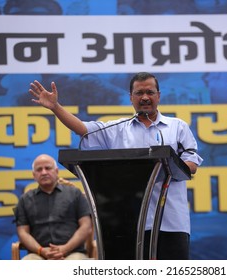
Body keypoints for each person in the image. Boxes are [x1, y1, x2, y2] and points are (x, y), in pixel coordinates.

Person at [28, 72, 203, 259]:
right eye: (139, 93)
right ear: (131, 98)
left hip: (170, 221)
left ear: (158, 95)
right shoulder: (116, 129)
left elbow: (191, 163)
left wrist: (170, 166)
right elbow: (83, 129)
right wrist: (55, 107)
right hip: (129, 223)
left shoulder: (177, 127)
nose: (145, 97)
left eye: (150, 92)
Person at [14, 154, 92, 260]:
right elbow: (22, 232)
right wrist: (41, 250)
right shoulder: (25, 199)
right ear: (34, 175)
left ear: (56, 171)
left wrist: (65, 249)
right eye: (39, 169)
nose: (44, 172)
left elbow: (86, 226)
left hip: (72, 253)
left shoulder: (74, 194)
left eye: (48, 168)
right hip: (38, 254)